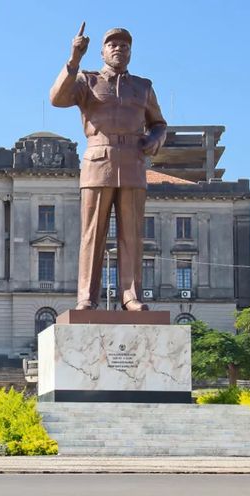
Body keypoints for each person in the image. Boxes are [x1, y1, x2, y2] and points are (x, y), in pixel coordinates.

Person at [50, 24, 167, 311]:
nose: (118, 48)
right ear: (102, 51)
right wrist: (74, 59)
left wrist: (155, 138)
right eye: (112, 44)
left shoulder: (143, 86)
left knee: (132, 235)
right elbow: (57, 98)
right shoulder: (86, 81)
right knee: (93, 234)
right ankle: (87, 297)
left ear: (131, 52)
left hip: (132, 161)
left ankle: (131, 295)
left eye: (124, 45)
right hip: (98, 160)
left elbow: (159, 122)